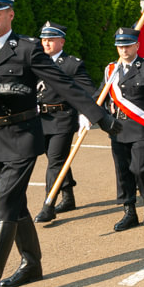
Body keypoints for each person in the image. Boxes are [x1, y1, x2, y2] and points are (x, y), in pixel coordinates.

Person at [0, 0, 121, 287]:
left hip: (24, 137)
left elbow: (65, 85)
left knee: (5, 201)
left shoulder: (27, 49)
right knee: (15, 203)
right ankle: (32, 263)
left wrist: (101, 118)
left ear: (10, 15)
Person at [98, 27, 144, 231]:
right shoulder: (111, 70)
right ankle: (129, 211)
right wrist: (89, 114)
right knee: (123, 171)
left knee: (141, 168)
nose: (123, 49)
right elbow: (101, 94)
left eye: (127, 45)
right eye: (120, 46)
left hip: (140, 128)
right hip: (117, 128)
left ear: (137, 45)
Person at [33, 22, 96, 223]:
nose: (46, 43)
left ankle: (48, 204)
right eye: (44, 40)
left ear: (61, 41)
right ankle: (68, 197)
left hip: (62, 119)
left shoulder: (72, 64)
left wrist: (87, 112)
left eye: (51, 40)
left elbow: (88, 91)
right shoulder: (35, 61)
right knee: (55, 159)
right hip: (39, 119)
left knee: (55, 160)